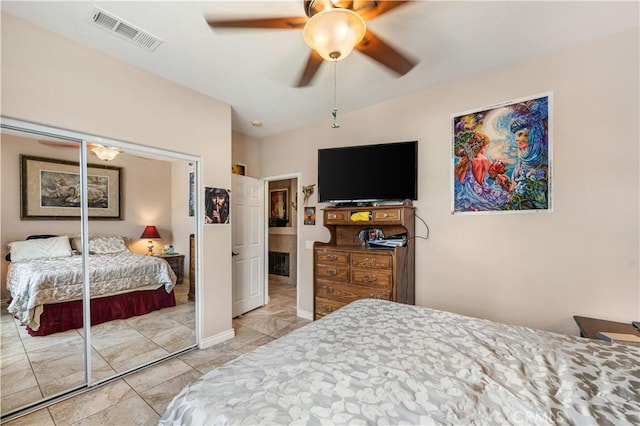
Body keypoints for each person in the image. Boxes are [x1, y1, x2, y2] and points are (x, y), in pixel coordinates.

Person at [507, 98, 549, 210]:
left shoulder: (542, 165)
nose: (517, 139)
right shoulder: (520, 163)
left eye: (522, 134)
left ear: (534, 136)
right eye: (516, 135)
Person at [453, 132, 509, 212]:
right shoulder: (487, 160)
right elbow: (494, 175)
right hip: (484, 189)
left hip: (473, 192)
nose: (486, 148)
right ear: (481, 147)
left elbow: (461, 180)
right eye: (486, 146)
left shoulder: (469, 161)